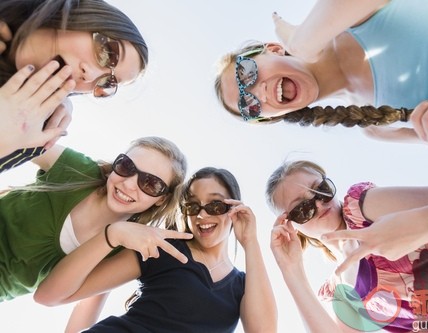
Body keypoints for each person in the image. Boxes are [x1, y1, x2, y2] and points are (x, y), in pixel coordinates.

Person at [214, 0, 428, 157]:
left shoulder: (351, 18)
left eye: (247, 73)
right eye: (250, 107)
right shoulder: (376, 128)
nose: (258, 93)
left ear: (274, 48)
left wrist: (301, 43)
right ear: (270, 117)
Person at [33, 167, 278, 333]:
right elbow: (53, 295)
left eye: (215, 205)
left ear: (234, 208)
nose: (202, 214)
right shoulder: (161, 247)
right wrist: (111, 235)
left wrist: (250, 242)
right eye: (192, 206)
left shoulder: (243, 286)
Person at [265, 160, 428, 332]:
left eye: (322, 190)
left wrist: (420, 227)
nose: (318, 202)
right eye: (302, 208)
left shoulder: (364, 208)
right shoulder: (342, 290)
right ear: (291, 225)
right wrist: (291, 269)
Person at [0, 136, 192, 303]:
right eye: (126, 166)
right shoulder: (77, 170)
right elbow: (18, 138)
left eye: (150, 183)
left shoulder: (123, 251)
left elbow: (56, 298)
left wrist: (112, 235)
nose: (128, 184)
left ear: (162, 199)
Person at [0, 0, 148, 172]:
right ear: (85, 14)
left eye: (107, 83)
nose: (89, 76)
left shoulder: (37, 134)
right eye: (108, 52)